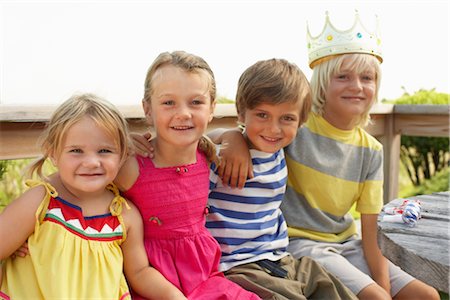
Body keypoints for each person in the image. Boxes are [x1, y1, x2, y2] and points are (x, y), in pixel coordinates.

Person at [209, 12, 440, 300]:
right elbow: (245, 132)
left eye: (366, 78)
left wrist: (385, 285)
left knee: (426, 295)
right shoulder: (295, 128)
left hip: (348, 241)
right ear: (321, 82)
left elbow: (370, 229)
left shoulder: (372, 150)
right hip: (300, 244)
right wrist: (231, 138)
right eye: (343, 76)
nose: (356, 86)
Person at [0, 93, 186, 299]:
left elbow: (140, 272)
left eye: (104, 150)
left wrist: (174, 296)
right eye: (76, 150)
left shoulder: (123, 215)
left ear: (123, 154)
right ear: (53, 152)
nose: (91, 162)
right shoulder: (40, 201)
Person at [205, 58, 357, 300]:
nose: (274, 129)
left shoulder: (278, 152)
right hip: (237, 266)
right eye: (262, 115)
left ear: (301, 121)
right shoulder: (225, 157)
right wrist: (229, 135)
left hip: (279, 258)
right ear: (241, 111)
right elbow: (196, 150)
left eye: (286, 118)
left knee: (330, 286)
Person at [114, 51, 260, 299]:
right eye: (168, 102)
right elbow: (79, 187)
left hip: (205, 278)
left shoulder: (208, 156)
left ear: (212, 108)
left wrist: (232, 136)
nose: (183, 113)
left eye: (196, 102)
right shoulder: (131, 166)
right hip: (151, 284)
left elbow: (218, 137)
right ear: (148, 110)